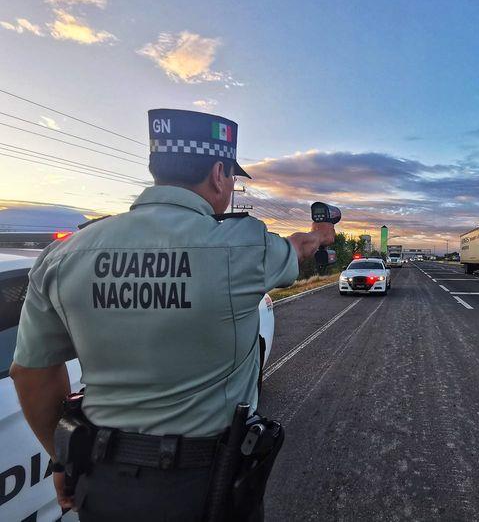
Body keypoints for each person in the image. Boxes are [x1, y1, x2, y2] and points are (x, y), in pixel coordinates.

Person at [10, 108, 335, 521]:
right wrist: (323, 232)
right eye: (231, 178)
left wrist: (62, 460)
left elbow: (31, 374)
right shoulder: (244, 247)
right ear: (219, 174)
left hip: (102, 483)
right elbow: (301, 246)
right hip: (204, 488)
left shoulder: (63, 255)